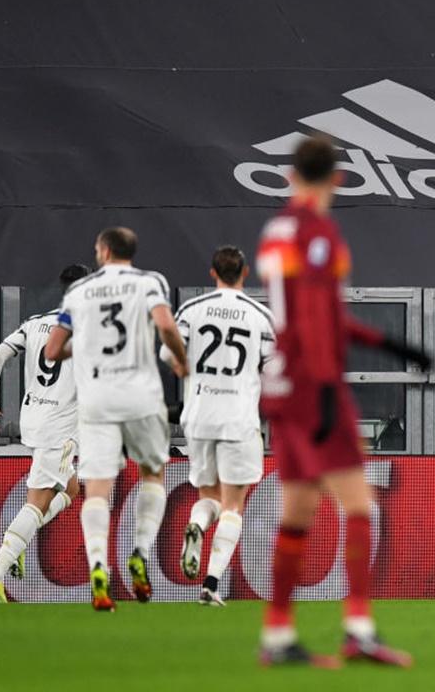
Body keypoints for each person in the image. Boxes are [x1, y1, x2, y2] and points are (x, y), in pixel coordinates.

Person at [255, 136, 431, 668]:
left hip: (280, 382)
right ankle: (358, 630)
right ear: (338, 179)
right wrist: (331, 388)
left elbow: (314, 314)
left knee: (298, 512)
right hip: (314, 384)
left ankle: (278, 635)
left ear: (289, 177)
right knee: (358, 505)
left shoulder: (276, 232)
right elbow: (315, 317)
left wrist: (388, 344)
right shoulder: (320, 234)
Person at [44, 227, 189, 611]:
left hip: (97, 400)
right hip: (141, 396)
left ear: (104, 251)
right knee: (152, 473)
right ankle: (140, 552)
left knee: (97, 489)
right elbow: (166, 326)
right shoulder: (149, 282)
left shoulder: (78, 292)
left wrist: (86, 344)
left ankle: (97, 568)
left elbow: (53, 350)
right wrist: (182, 361)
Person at [163, 246, 274, 606]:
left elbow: (168, 353)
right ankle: (211, 584)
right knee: (233, 506)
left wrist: (185, 367)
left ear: (212, 273)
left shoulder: (191, 311)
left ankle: (196, 525)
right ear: (244, 273)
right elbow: (275, 369)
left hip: (198, 416)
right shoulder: (259, 316)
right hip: (238, 418)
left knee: (207, 497)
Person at [0, 263, 91, 602]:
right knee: (38, 503)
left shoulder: (36, 322)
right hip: (60, 428)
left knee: (70, 487)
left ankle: (20, 542)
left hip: (33, 420)